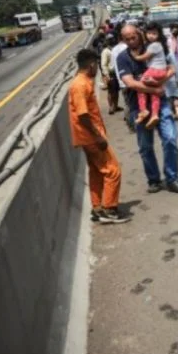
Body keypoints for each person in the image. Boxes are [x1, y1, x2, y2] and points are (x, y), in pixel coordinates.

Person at [116, 24, 178, 194]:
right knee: (145, 146)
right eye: (126, 39)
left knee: (170, 138)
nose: (131, 41)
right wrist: (154, 89)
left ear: (139, 34)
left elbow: (172, 68)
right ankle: (153, 179)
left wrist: (160, 81)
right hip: (138, 107)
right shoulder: (122, 58)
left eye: (133, 37)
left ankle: (172, 178)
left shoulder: (155, 48)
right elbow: (130, 83)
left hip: (161, 103)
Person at [68, 48, 130, 224]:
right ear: (91, 65)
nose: (97, 69)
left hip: (87, 137)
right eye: (96, 65)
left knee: (96, 172)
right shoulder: (80, 85)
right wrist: (98, 137)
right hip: (90, 137)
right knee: (113, 170)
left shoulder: (82, 82)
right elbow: (83, 115)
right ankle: (109, 209)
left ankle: (97, 208)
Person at [128, 22, 168, 128]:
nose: (151, 35)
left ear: (159, 35)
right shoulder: (158, 44)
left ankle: (143, 110)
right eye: (149, 33)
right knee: (154, 92)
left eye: (154, 33)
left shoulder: (154, 45)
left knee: (140, 88)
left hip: (154, 70)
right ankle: (154, 115)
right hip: (161, 72)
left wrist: (136, 56)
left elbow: (144, 57)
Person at [100, 35, 123, 114]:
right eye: (110, 39)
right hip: (110, 74)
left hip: (117, 73)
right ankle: (111, 107)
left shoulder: (115, 49)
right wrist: (106, 75)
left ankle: (116, 106)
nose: (112, 40)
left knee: (116, 91)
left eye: (113, 39)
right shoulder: (106, 51)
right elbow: (103, 64)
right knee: (110, 91)